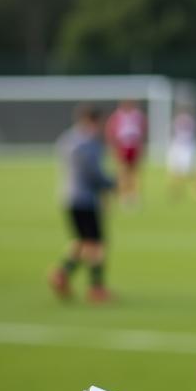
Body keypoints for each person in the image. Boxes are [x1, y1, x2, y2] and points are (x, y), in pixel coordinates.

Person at [48, 105, 115, 303]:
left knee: (82, 240)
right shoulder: (89, 143)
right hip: (86, 199)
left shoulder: (67, 139)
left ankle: (62, 273)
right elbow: (93, 174)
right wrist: (112, 184)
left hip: (68, 196)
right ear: (94, 120)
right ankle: (96, 289)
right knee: (96, 244)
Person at [105, 99, 147, 206]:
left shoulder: (137, 116)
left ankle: (133, 196)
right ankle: (124, 195)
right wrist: (113, 147)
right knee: (123, 172)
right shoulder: (117, 116)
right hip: (122, 145)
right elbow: (111, 130)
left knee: (134, 172)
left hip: (134, 145)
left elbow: (142, 130)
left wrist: (141, 145)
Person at [166, 105, 196, 199]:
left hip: (187, 148)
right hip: (182, 148)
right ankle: (177, 192)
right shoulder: (182, 121)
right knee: (180, 172)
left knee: (193, 171)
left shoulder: (185, 121)